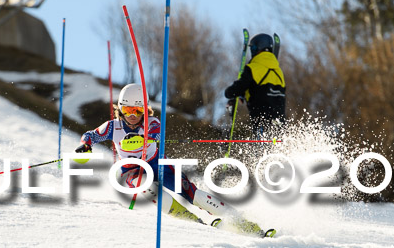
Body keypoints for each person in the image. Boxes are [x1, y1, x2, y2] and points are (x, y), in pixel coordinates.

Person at [75, 83, 275, 238]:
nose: (133, 116)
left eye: (138, 111)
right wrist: (85, 145)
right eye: (128, 110)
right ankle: (193, 221)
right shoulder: (113, 126)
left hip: (158, 165)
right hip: (131, 171)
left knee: (191, 193)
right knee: (145, 186)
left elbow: (155, 134)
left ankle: (241, 222)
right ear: (120, 109)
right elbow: (91, 134)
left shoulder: (152, 122)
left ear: (145, 109)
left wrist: (149, 139)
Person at [224, 33, 286, 137]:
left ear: (258, 48)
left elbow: (238, 88)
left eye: (253, 48)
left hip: (261, 118)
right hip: (279, 119)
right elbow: (264, 89)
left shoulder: (252, 68)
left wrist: (229, 92)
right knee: (275, 144)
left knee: (263, 148)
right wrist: (245, 94)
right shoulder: (279, 71)